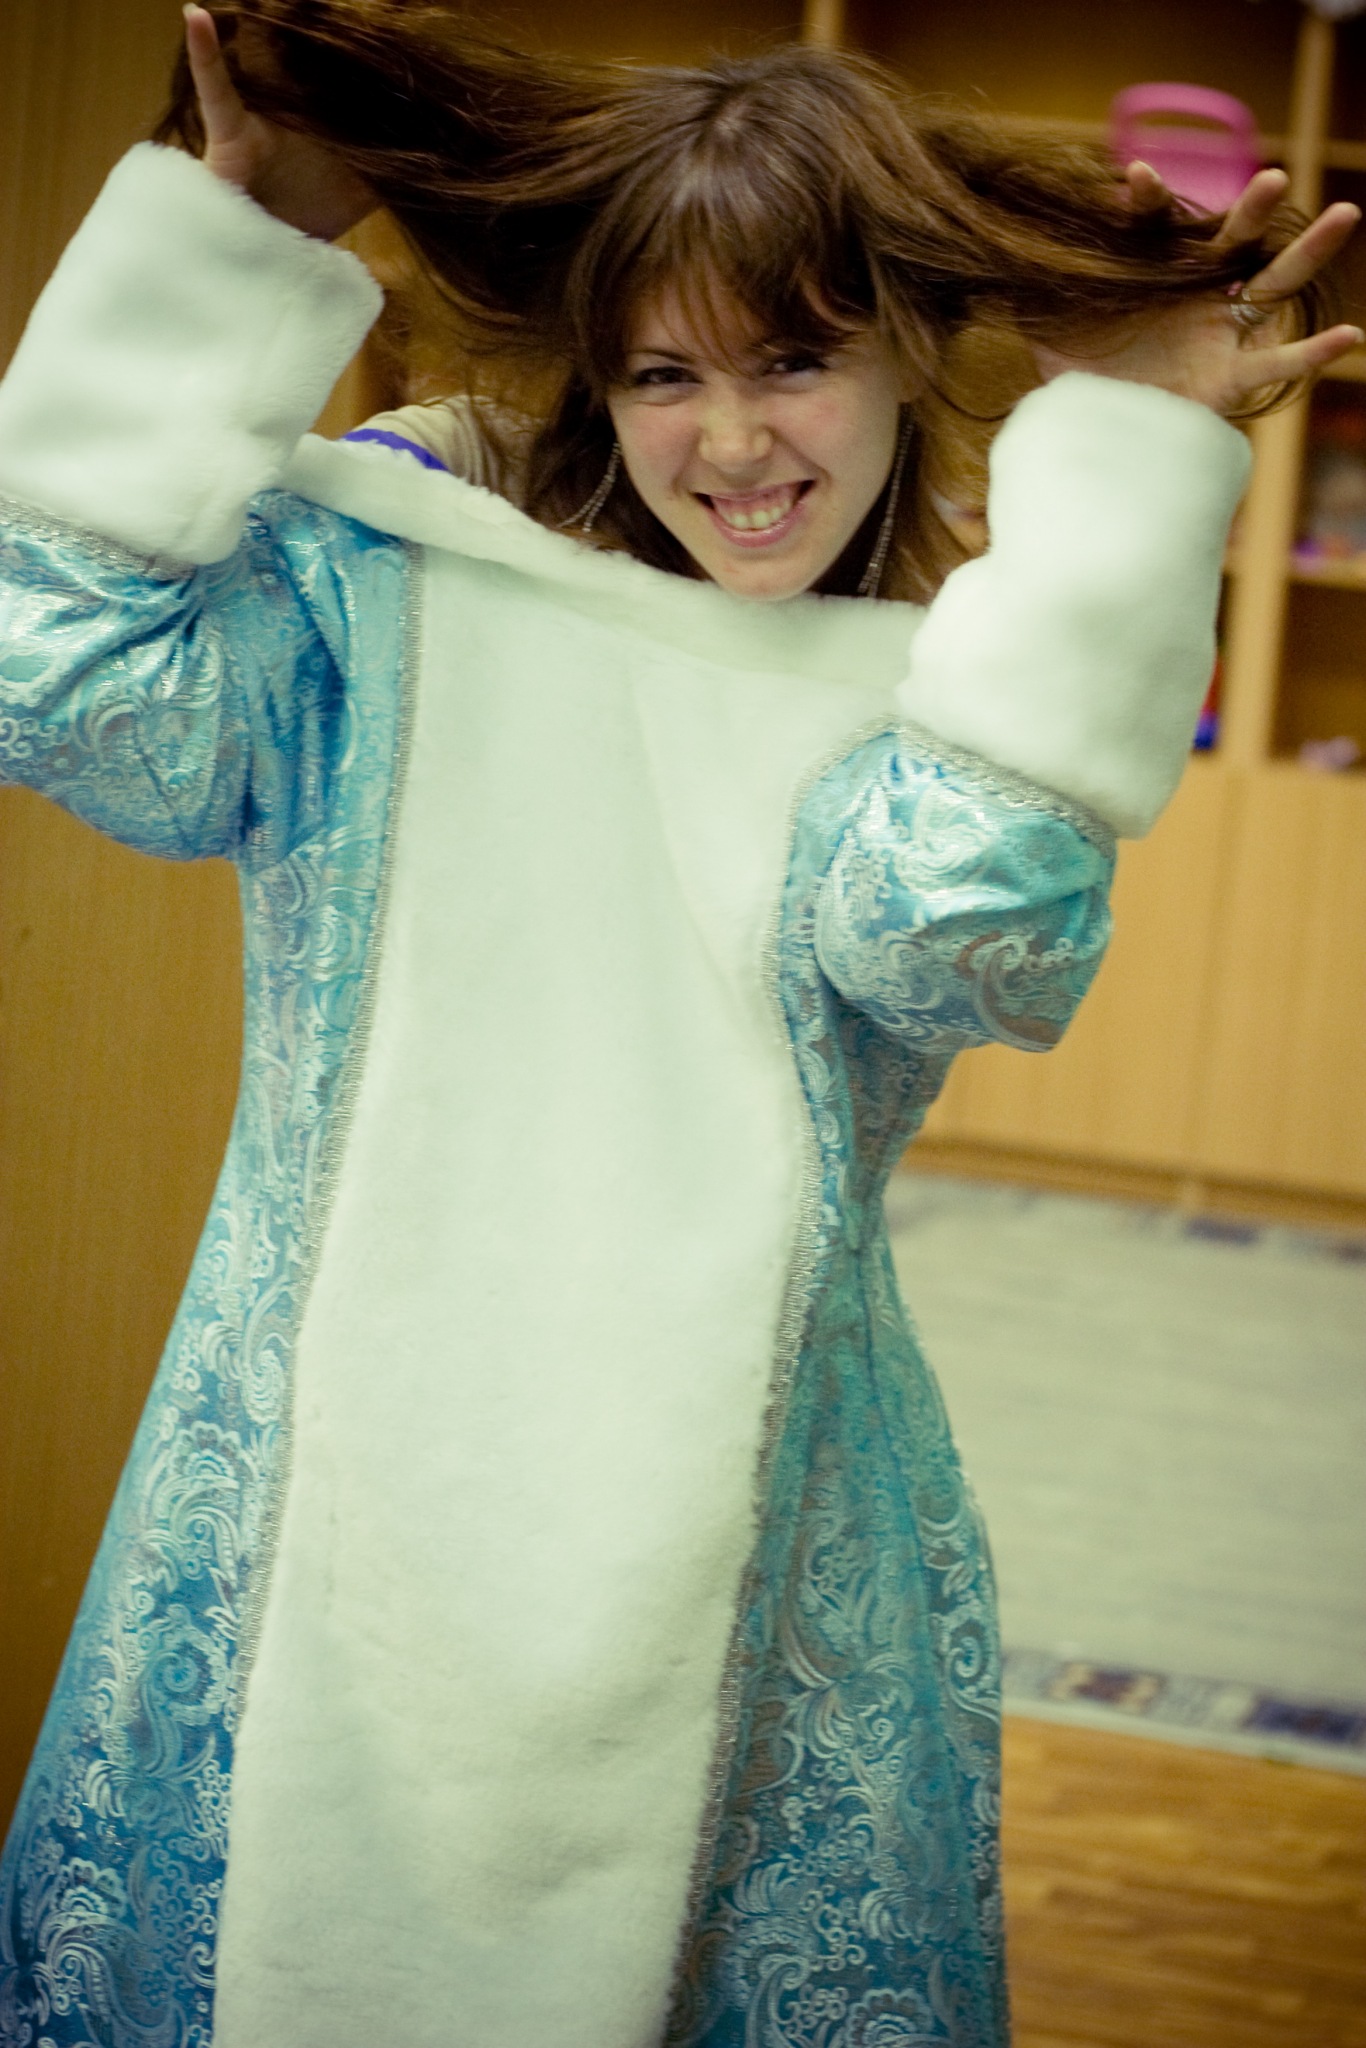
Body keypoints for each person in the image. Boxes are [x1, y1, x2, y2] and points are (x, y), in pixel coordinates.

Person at [0, 5, 1355, 2043]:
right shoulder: (381, 603)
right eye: (663, 373)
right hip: (317, 1495)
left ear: (905, 358)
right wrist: (232, 235)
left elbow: (952, 939)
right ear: (596, 378)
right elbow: (60, 677)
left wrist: (1139, 462)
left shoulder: (933, 704)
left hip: (761, 1515)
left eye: (793, 359)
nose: (730, 444)